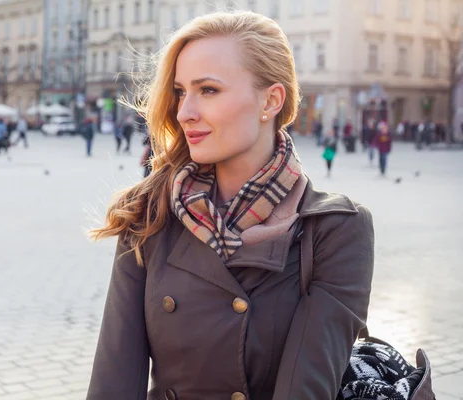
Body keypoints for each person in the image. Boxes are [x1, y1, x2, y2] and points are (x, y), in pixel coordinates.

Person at [87, 11, 374, 400]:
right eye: (179, 92)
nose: (185, 112)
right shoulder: (149, 215)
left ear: (270, 100)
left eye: (207, 90)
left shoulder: (335, 231)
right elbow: (113, 382)